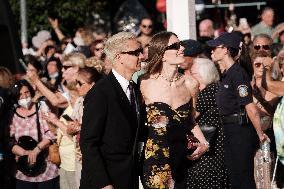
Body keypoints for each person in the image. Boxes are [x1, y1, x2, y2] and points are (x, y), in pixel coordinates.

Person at [140, 31, 209, 189]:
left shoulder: (191, 84)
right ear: (162, 53)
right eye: (175, 46)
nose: (182, 48)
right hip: (154, 160)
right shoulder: (144, 82)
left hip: (181, 159)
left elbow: (190, 121)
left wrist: (204, 143)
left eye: (181, 45)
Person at [80, 32, 144, 189]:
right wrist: (103, 183)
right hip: (105, 181)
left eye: (140, 51)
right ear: (118, 57)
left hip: (128, 178)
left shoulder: (135, 89)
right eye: (135, 52)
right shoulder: (100, 93)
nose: (141, 56)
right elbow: (88, 143)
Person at [207, 32, 269, 189]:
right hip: (229, 129)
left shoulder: (238, 73)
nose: (212, 51)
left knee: (243, 177)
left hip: (240, 129)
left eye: (216, 47)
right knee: (235, 176)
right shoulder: (227, 74)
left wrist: (260, 133)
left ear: (226, 49)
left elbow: (250, 107)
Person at [187, 58, 229, 189]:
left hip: (210, 143)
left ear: (202, 75)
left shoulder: (209, 91)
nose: (188, 75)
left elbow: (191, 116)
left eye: (192, 73)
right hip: (213, 141)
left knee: (205, 177)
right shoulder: (215, 88)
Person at [9, 80, 59, 189]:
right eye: (20, 94)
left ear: (31, 92)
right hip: (23, 169)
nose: (24, 97)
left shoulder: (41, 107)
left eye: (26, 92)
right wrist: (25, 152)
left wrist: (37, 150)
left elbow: (51, 133)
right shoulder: (12, 114)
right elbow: (9, 140)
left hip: (46, 168)